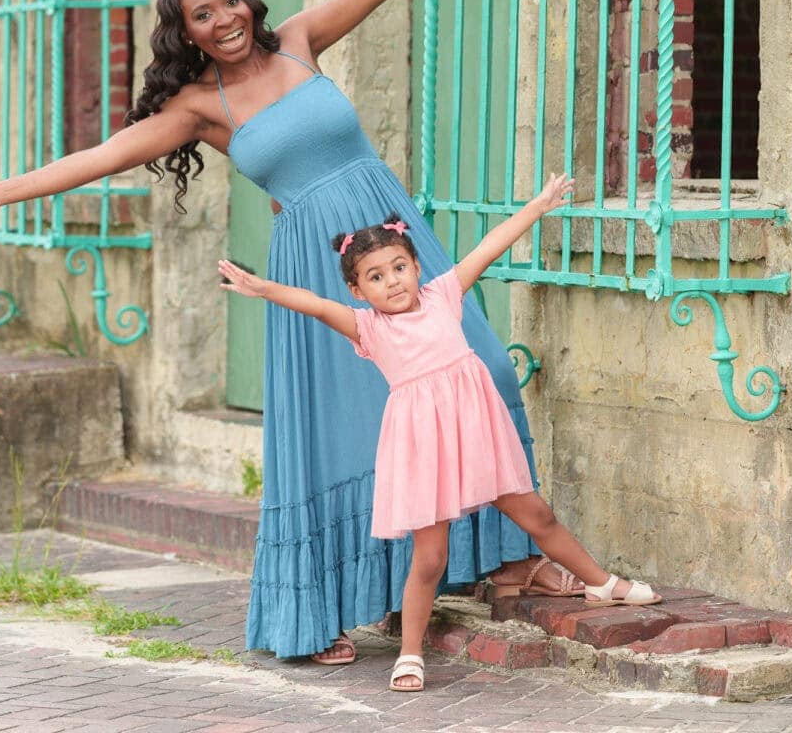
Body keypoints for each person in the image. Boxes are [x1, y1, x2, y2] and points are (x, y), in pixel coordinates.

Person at [0, 0, 583, 664]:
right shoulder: (199, 108)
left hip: (393, 232)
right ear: (186, 32)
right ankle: (321, 616)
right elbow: (101, 156)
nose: (224, 18)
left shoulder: (300, 42)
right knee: (347, 428)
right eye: (203, 13)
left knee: (478, 371)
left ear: (249, 0)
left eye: (231, 0)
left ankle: (511, 559)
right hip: (316, 260)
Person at [218, 174, 661, 692]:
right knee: (430, 557)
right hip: (426, 451)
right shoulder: (370, 328)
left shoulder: (444, 295)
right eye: (376, 277)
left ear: (417, 265)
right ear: (358, 290)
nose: (394, 282)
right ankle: (409, 653)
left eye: (399, 267)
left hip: (478, 436)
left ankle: (602, 583)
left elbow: (487, 248)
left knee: (537, 513)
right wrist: (262, 288)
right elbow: (315, 305)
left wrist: (538, 206)